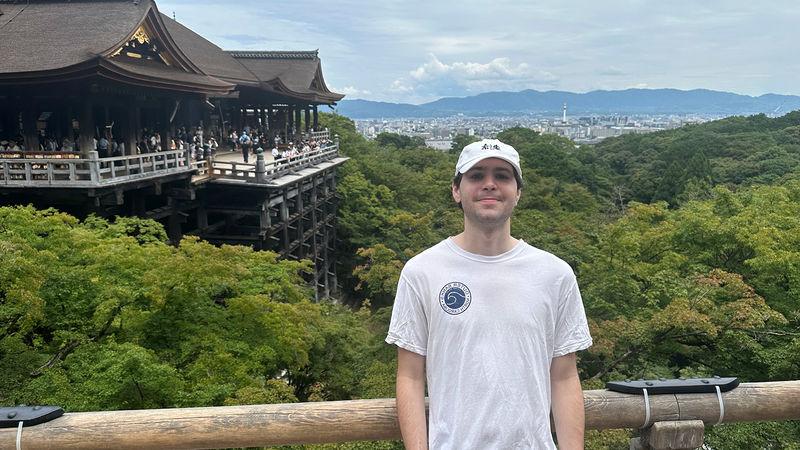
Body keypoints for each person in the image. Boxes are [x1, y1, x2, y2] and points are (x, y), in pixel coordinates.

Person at [386, 139, 592, 450]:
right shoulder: (422, 272)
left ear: (518, 192)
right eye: (476, 175)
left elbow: (564, 377)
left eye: (502, 176)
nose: (490, 184)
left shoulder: (555, 274)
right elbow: (410, 377)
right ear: (456, 190)